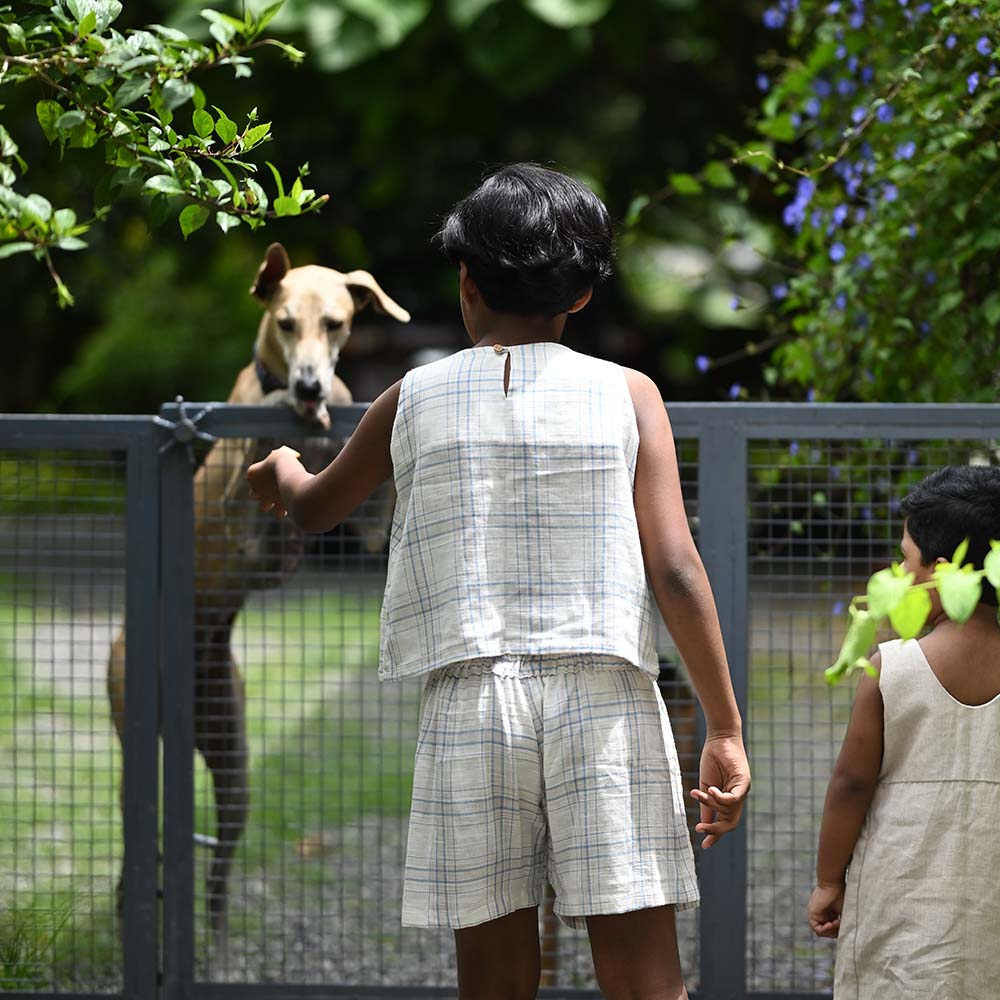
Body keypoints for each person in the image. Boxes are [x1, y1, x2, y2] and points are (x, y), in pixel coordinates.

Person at [248, 162, 750, 1000]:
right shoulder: (631, 395)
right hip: (608, 699)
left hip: (472, 702)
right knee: (645, 982)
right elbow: (674, 567)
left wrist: (283, 469)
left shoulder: (411, 399)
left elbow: (316, 507)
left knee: (494, 982)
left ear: (466, 281)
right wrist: (724, 727)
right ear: (583, 294)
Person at [808, 465, 1000, 998]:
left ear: (939, 573)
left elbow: (850, 783)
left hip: (902, 909)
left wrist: (829, 881)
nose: (898, 573)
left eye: (905, 559)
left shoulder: (890, 669)